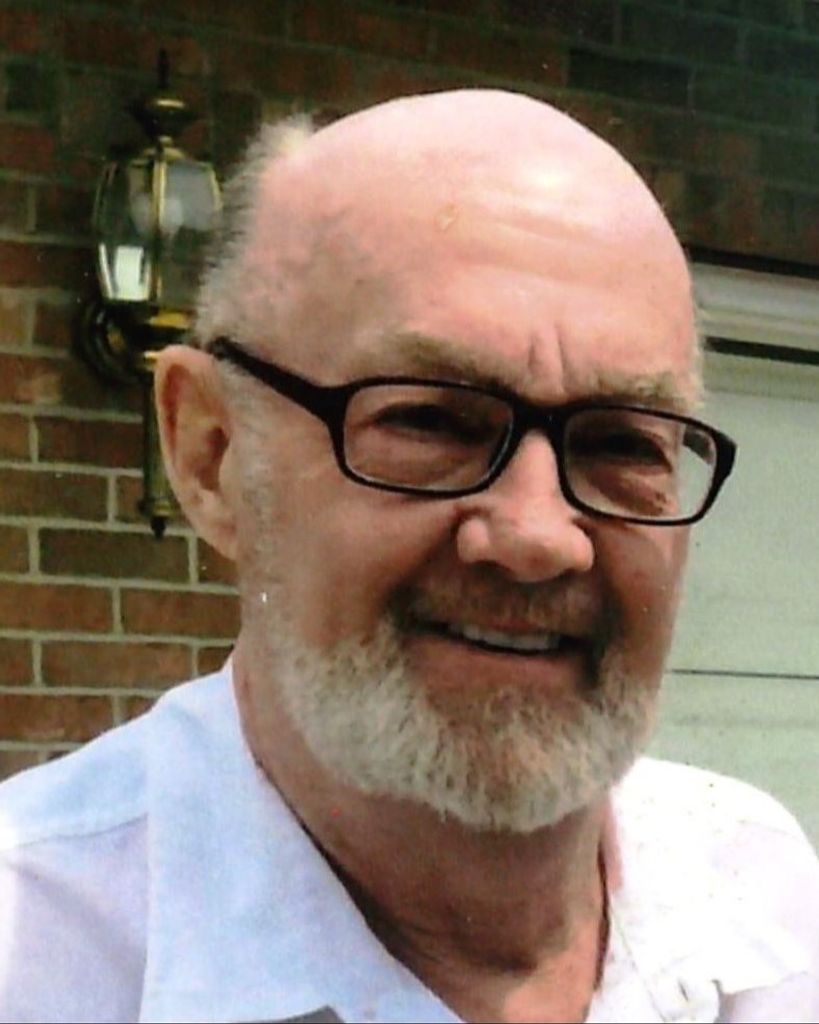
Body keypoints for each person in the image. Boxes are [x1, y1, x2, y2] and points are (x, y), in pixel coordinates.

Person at [0, 89, 817, 1024]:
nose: (537, 536)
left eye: (622, 443)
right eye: (428, 422)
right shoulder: (34, 958)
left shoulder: (767, 904)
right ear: (211, 457)